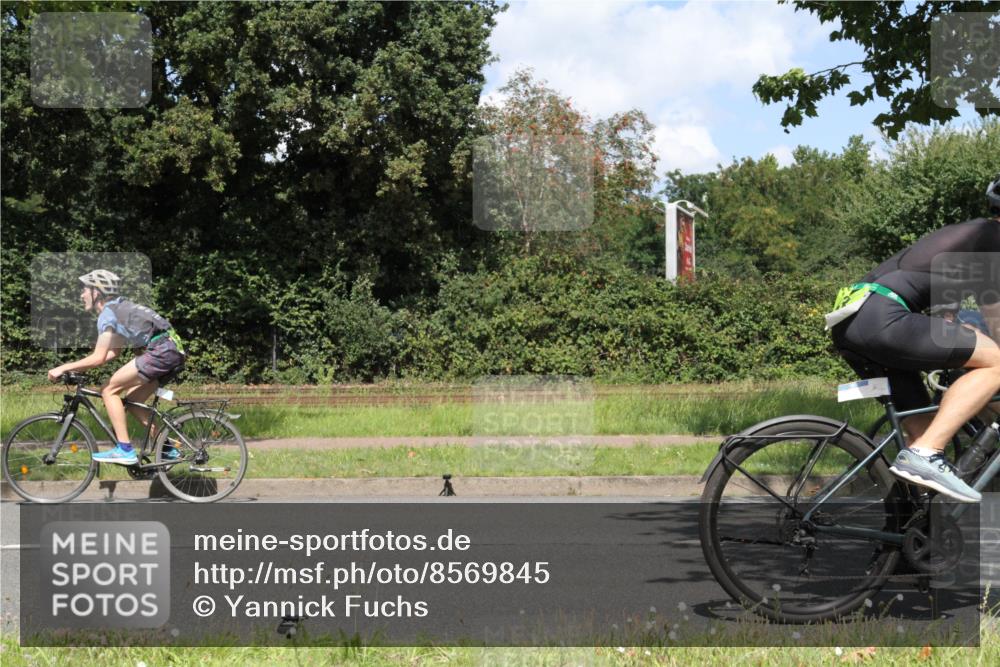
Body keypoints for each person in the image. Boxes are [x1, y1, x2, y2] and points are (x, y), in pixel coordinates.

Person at [828, 175, 1000, 503]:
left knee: (921, 435)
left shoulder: (969, 237)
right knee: (996, 364)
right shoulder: (993, 238)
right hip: (882, 318)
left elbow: (947, 316)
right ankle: (926, 452)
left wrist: (966, 334)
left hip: (855, 319)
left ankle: (910, 540)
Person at [47, 270, 186, 464]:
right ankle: (168, 448)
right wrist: (75, 368)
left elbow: (98, 357)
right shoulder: (120, 308)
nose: (81, 294)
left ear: (98, 292)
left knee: (108, 389)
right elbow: (113, 352)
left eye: (85, 289)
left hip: (160, 351)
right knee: (132, 400)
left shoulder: (108, 313)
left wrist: (63, 367)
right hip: (171, 350)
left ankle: (125, 450)